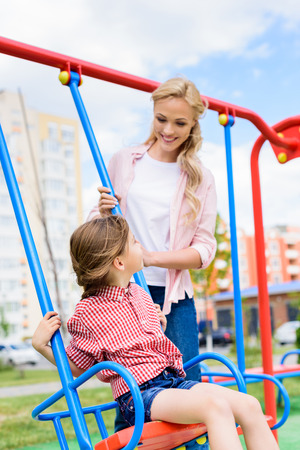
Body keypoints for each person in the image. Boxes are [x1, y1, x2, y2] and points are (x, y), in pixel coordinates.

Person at [32, 217, 279, 450]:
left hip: (173, 381)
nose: (140, 245)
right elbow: (77, 368)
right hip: (140, 395)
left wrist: (156, 327)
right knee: (216, 407)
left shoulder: (139, 293)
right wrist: (42, 346)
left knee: (249, 404)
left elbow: (139, 342)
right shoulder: (89, 311)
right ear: (119, 262)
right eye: (134, 242)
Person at [87, 77, 217, 383]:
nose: (168, 131)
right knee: (133, 388)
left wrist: (151, 258)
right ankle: (131, 433)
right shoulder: (124, 160)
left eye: (180, 123)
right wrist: (102, 212)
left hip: (173, 296)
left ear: (193, 125)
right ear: (153, 114)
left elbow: (204, 250)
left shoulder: (201, 178)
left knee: (187, 386)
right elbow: (98, 224)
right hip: (122, 292)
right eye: (161, 119)